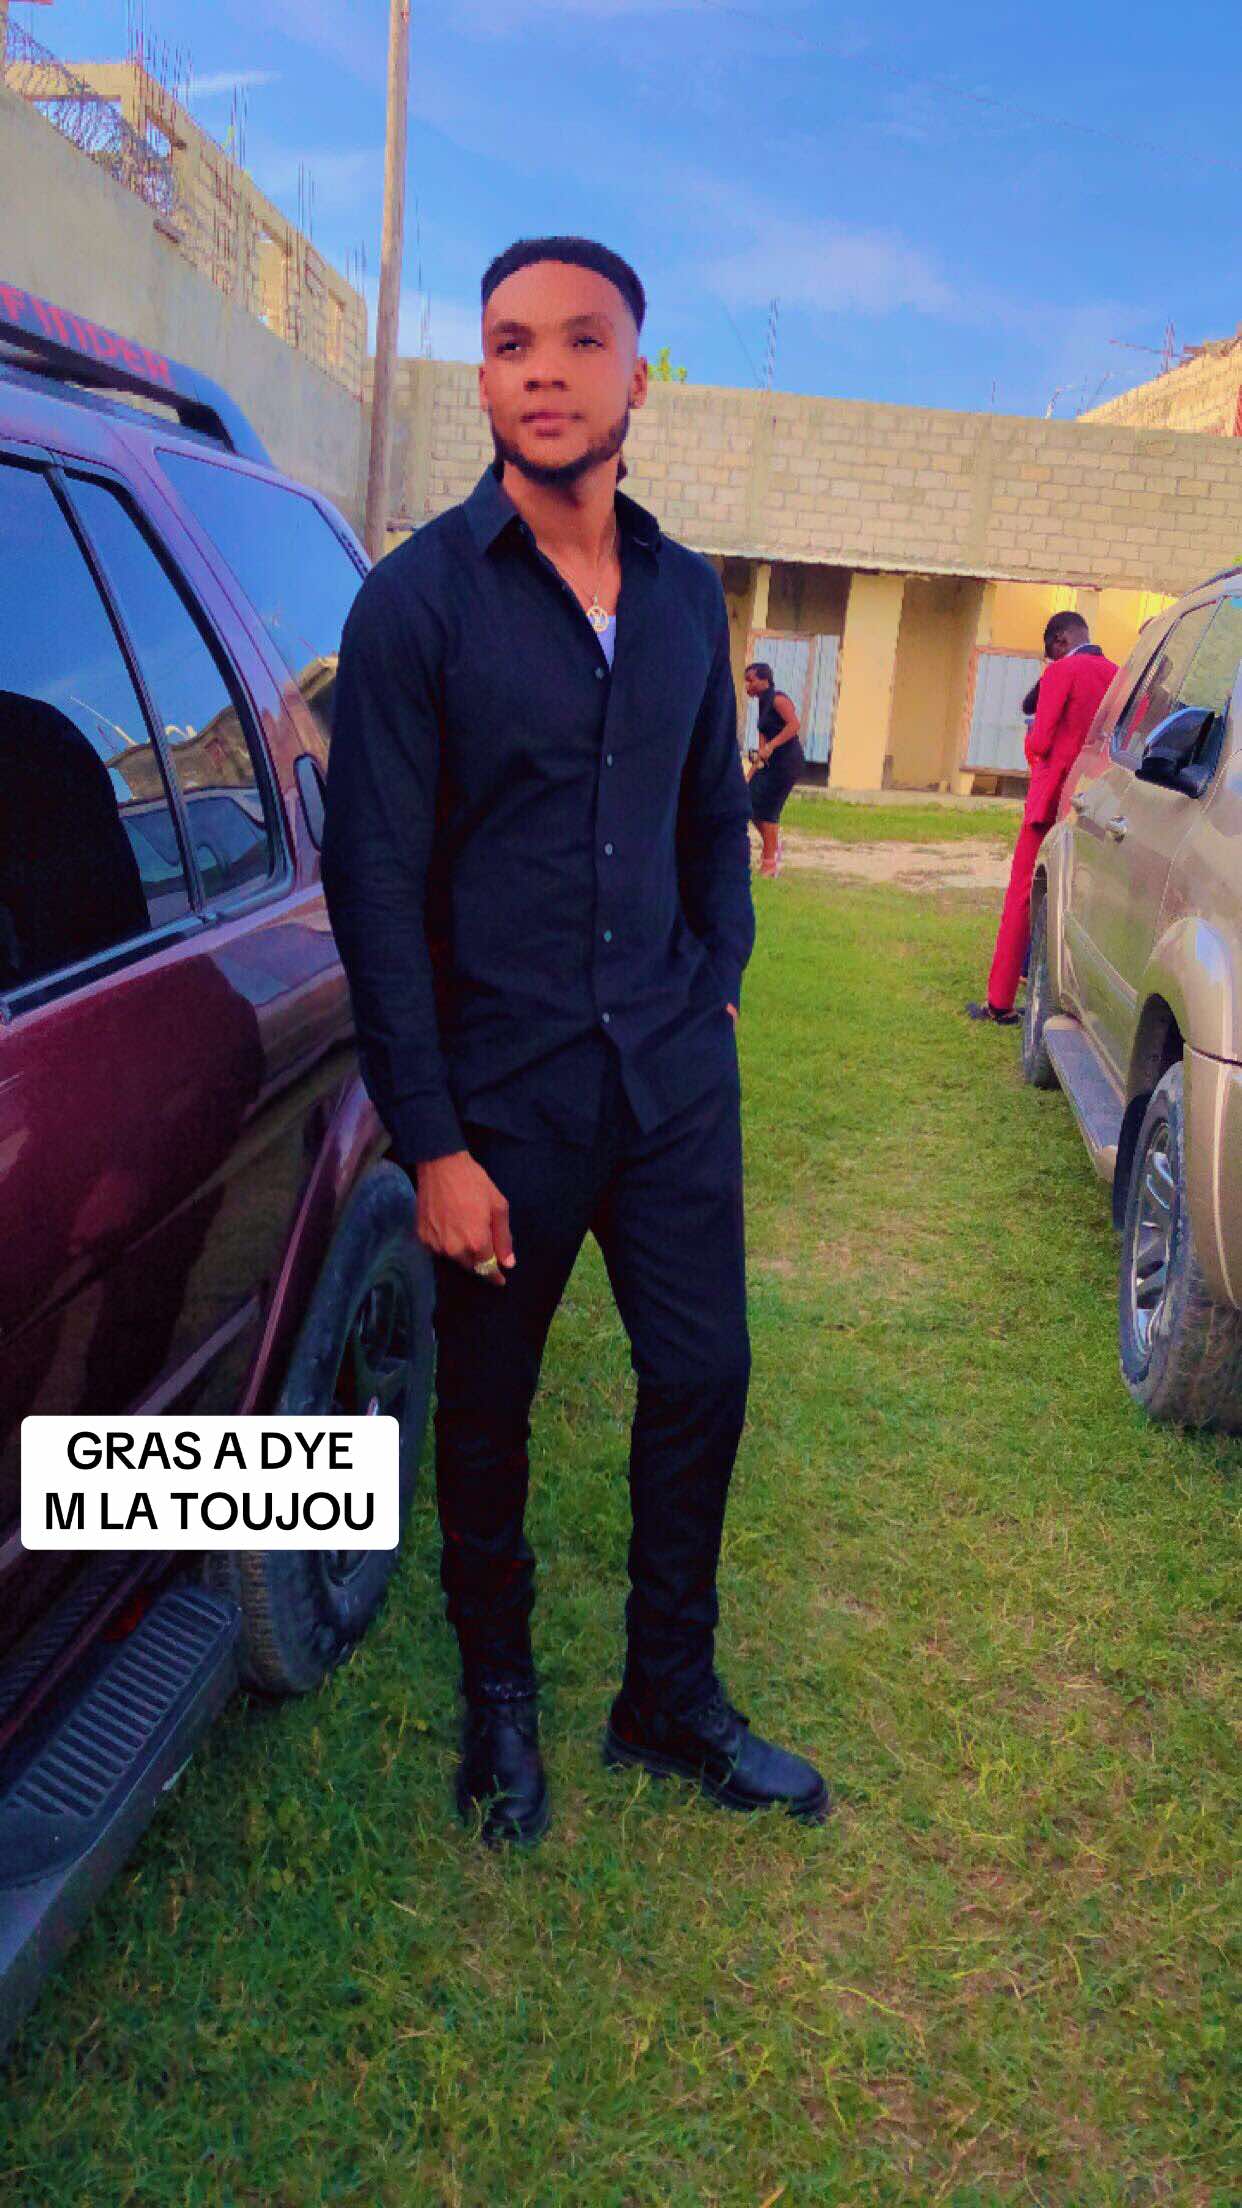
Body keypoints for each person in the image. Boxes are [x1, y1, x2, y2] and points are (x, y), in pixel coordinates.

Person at [322, 235, 829, 1847]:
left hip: (670, 1080)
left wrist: (720, 980)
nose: (542, 368)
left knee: (703, 1378)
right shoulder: (414, 605)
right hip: (503, 1102)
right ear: (484, 376)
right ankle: (501, 1700)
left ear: (634, 377)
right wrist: (435, 1141)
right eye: (510, 342)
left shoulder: (684, 595)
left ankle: (664, 1695)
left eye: (579, 340)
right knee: (486, 1412)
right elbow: (373, 887)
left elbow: (707, 820)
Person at [967, 610, 1117, 1024]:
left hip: (1050, 802)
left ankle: (1000, 1002)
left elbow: (1041, 740)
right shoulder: (1119, 675)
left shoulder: (1061, 671)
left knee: (1022, 895)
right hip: (1096, 802)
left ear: (1060, 641)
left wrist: (1032, 738)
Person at [744, 663, 804, 876]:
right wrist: (750, 774)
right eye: (746, 682)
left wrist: (772, 745)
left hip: (787, 763)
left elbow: (794, 725)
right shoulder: (762, 704)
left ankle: (769, 865)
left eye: (751, 680)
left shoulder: (778, 699)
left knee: (769, 810)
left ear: (764, 680)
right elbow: (762, 746)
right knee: (748, 803)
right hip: (770, 764)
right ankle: (773, 847)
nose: (747, 686)